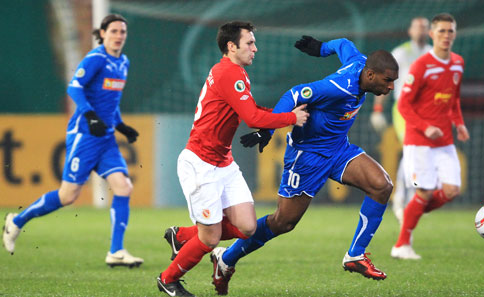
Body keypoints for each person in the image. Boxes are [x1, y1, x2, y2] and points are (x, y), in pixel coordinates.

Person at [165, 35, 399, 295]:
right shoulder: (337, 86)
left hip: (338, 149)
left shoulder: (359, 60)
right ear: (369, 75)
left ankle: (355, 255)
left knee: (382, 186)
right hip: (307, 155)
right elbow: (295, 93)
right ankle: (225, 259)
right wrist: (267, 129)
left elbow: (342, 43)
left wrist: (321, 49)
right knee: (283, 222)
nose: (390, 87)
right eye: (387, 81)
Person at [156, 21, 309, 297]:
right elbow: (252, 118)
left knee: (247, 227)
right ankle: (168, 279)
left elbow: (249, 109)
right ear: (231, 46)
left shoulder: (234, 72)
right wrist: (290, 118)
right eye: (249, 43)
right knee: (210, 238)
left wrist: (276, 116)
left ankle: (181, 236)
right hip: (200, 163)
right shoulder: (229, 73)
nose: (255, 48)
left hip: (223, 162)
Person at [2, 14, 143, 268]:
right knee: (68, 196)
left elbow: (109, 100)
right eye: (114, 31)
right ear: (102, 34)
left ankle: (116, 251)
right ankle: (16, 221)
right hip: (85, 135)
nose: (119, 36)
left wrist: (121, 126)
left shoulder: (123, 62)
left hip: (107, 137)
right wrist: (89, 116)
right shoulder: (95, 59)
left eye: (123, 32)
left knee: (123, 187)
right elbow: (74, 87)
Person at [391, 13, 470, 260]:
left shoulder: (458, 62)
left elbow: (453, 97)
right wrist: (425, 127)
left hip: (444, 140)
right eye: (441, 31)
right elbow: (403, 105)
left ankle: (413, 210)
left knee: (452, 190)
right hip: (418, 141)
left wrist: (459, 124)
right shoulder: (421, 65)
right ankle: (401, 245)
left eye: (450, 31)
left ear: (455, 35)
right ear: (432, 34)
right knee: (424, 192)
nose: (446, 36)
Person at [370, 17, 431, 224]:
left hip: (427, 111)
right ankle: (400, 199)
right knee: (412, 150)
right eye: (418, 27)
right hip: (404, 109)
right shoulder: (401, 52)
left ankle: (409, 199)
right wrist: (378, 109)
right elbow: (383, 80)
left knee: (421, 155)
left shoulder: (432, 54)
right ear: (410, 30)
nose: (421, 31)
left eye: (425, 27)